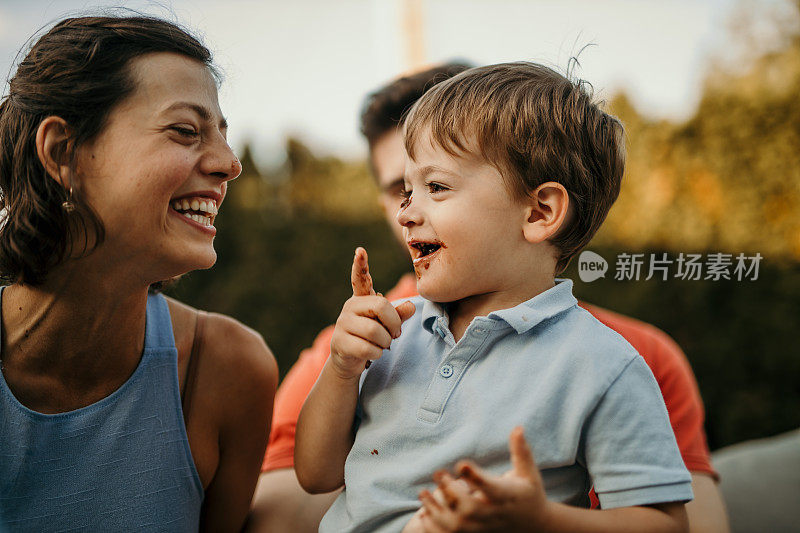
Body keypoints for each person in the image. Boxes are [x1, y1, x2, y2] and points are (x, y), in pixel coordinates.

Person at [248, 63, 728, 532]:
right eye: (404, 192)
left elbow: (664, 522)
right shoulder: (389, 334)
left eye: (435, 187)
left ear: (540, 212)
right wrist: (341, 368)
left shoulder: (603, 364)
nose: (407, 214)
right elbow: (315, 476)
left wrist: (542, 520)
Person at [0, 16, 277, 532]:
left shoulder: (229, 372)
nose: (229, 163)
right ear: (63, 152)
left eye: (222, 135)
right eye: (185, 131)